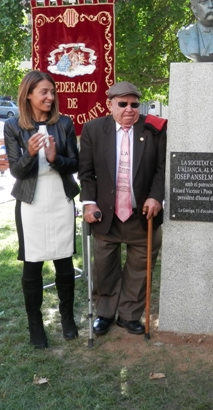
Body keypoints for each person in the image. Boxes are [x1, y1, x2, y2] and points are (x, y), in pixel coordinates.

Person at [78, 81, 166, 335]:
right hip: (106, 214)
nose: (129, 109)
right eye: (123, 104)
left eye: (134, 104)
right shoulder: (94, 130)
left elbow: (161, 168)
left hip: (142, 214)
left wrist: (156, 197)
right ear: (110, 104)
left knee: (140, 267)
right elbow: (86, 173)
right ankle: (104, 313)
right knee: (104, 266)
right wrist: (89, 202)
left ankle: (129, 314)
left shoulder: (154, 129)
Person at [4, 70, 80, 349]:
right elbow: (16, 171)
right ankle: (36, 326)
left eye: (52, 91)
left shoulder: (64, 123)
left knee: (64, 260)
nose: (50, 97)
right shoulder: (13, 126)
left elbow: (75, 164)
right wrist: (31, 153)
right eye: (44, 92)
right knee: (33, 263)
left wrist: (54, 157)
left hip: (60, 197)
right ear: (28, 95)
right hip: (30, 201)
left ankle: (68, 319)